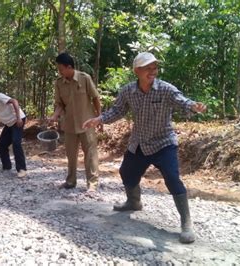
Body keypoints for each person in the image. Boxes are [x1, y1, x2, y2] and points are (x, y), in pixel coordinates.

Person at [83, 52, 207, 244]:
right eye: (148, 68)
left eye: (155, 68)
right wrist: (98, 119)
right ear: (137, 71)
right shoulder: (128, 91)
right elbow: (117, 110)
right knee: (126, 172)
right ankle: (134, 201)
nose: (152, 71)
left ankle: (186, 223)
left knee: (172, 179)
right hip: (139, 142)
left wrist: (194, 106)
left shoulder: (165, 89)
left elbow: (182, 101)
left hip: (163, 143)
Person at [49, 52, 101, 192]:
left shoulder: (84, 78)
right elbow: (60, 104)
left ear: (69, 67)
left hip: (87, 123)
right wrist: (54, 116)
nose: (60, 72)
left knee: (90, 154)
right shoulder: (59, 83)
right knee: (71, 155)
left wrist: (99, 118)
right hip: (70, 124)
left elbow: (95, 98)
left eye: (61, 69)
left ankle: (92, 183)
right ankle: (71, 181)